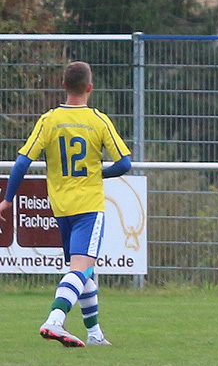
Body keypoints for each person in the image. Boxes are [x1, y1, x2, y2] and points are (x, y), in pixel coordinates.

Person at [0, 61, 132, 347]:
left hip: (61, 207)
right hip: (88, 206)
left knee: (85, 271)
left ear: (63, 86)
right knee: (80, 269)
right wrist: (99, 172)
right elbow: (124, 163)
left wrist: (8, 199)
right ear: (90, 88)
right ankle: (55, 320)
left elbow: (23, 161)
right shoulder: (98, 120)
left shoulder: (49, 120)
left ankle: (95, 334)